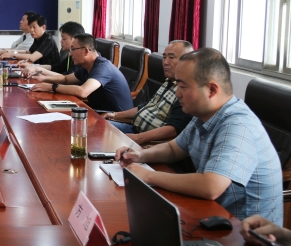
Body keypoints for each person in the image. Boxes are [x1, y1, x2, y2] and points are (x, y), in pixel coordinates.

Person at [116, 48, 282, 225]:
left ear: (211, 89)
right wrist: (140, 155)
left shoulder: (238, 125)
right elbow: (174, 148)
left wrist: (148, 176)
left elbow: (211, 186)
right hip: (211, 216)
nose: (177, 93)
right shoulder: (203, 115)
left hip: (243, 232)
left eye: (183, 86)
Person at [103, 40, 193, 144]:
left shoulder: (184, 91)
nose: (165, 62)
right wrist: (115, 115)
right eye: (164, 57)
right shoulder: (168, 81)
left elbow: (174, 129)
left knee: (100, 135)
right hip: (133, 128)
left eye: (171, 57)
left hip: (147, 141)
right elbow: (146, 106)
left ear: (186, 61)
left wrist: (138, 138)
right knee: (96, 126)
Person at [27, 33, 133, 112]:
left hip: (116, 120)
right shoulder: (88, 66)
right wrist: (43, 79)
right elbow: (66, 79)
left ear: (86, 51)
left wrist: (52, 87)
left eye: (73, 49)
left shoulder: (103, 68)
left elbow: (83, 91)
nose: (70, 54)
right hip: (99, 113)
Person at [15, 21, 84, 74]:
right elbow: (55, 67)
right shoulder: (69, 54)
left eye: (64, 38)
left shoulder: (79, 58)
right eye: (30, 27)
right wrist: (32, 66)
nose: (61, 41)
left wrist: (37, 69)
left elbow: (66, 78)